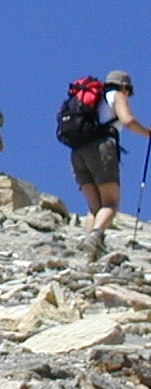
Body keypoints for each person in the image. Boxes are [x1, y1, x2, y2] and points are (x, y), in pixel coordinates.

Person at [78, 70, 150, 257]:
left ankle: (89, 252)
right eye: (129, 91)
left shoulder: (93, 100)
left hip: (78, 151)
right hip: (101, 148)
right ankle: (94, 238)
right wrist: (147, 133)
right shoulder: (116, 95)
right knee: (110, 203)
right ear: (124, 87)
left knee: (95, 207)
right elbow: (128, 120)